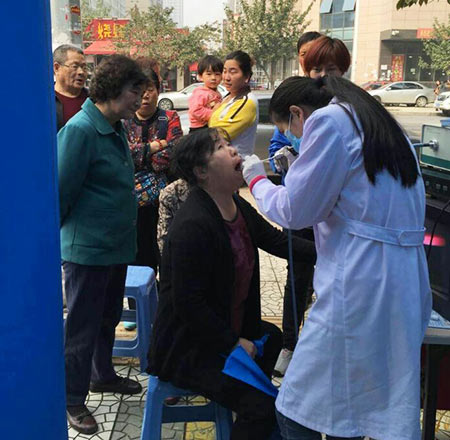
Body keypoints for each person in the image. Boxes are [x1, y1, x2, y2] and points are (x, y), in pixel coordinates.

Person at [242, 75, 432, 440]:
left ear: (297, 113)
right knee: (356, 406)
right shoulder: (371, 119)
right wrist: (300, 169)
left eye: (289, 130)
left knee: (295, 409)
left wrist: (257, 180)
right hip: (401, 276)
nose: (294, 138)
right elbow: (356, 192)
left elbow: (295, 210)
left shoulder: (327, 121)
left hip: (363, 280)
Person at [147, 128, 316, 440]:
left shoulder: (235, 206)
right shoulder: (193, 225)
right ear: (202, 171)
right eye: (221, 147)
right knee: (262, 408)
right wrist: (232, 343)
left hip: (224, 327)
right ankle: (249, 405)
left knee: (272, 338)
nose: (234, 151)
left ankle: (245, 395)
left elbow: (278, 241)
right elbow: (188, 304)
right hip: (190, 346)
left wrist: (331, 252)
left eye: (229, 144)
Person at [58, 55, 148, 435]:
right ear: (112, 90)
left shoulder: (114, 127)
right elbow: (60, 194)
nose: (139, 100)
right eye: (134, 92)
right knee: (81, 328)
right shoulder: (81, 130)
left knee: (107, 318)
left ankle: (102, 374)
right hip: (87, 252)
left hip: (114, 247)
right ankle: (71, 399)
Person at [272, 34, 351, 378]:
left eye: (330, 69)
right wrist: (287, 161)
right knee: (298, 278)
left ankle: (319, 351)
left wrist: (257, 183)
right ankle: (290, 344)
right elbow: (279, 139)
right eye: (315, 69)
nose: (322, 77)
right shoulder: (298, 106)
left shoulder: (341, 114)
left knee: (328, 284)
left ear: (343, 70)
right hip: (305, 209)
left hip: (332, 217)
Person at [123, 61, 182, 271]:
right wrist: (156, 146)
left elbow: (173, 154)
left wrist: (139, 154)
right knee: (138, 261)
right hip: (133, 206)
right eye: (139, 90)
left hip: (165, 203)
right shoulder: (124, 122)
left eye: (150, 89)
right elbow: (124, 156)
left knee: (167, 258)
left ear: (158, 91)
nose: (145, 95)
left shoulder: (170, 117)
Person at [209, 50, 258, 156]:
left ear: (246, 77)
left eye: (233, 72)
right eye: (225, 71)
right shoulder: (227, 97)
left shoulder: (247, 102)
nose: (226, 78)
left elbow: (218, 134)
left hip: (237, 162)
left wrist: (213, 113)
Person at [53, 44, 88, 131]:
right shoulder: (45, 100)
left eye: (84, 67)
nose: (81, 72)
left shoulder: (94, 99)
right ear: (56, 68)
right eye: (74, 66)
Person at [188, 55, 224, 132]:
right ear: (201, 76)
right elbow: (195, 110)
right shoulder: (200, 93)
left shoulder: (217, 93)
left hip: (211, 125)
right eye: (209, 74)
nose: (213, 78)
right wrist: (213, 114)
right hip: (199, 129)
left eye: (217, 74)